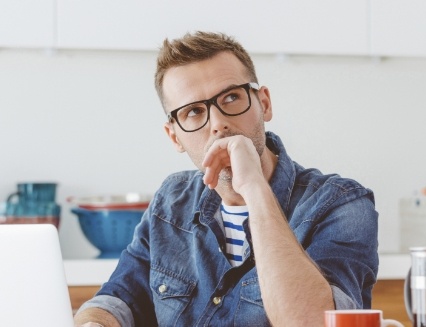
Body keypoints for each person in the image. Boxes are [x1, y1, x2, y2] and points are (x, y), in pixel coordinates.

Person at [74, 31, 378, 327]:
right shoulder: (171, 199)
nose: (219, 124)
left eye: (231, 97)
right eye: (193, 111)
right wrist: (95, 323)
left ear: (264, 104)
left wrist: (255, 189)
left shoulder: (341, 204)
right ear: (174, 136)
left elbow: (315, 323)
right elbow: (119, 298)